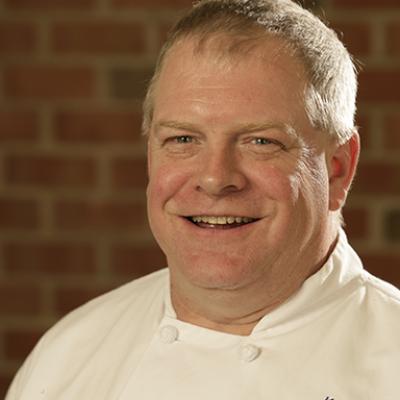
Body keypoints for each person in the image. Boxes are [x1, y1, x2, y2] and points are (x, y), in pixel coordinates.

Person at [6, 0, 400, 398]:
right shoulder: (67, 357)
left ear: (337, 169)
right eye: (183, 139)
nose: (215, 179)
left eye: (261, 141)